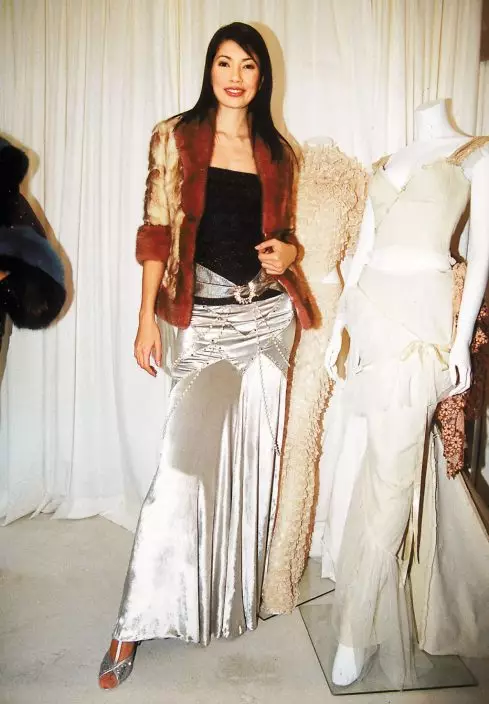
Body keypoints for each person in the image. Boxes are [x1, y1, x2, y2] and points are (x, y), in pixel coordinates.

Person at [99, 21, 313, 689]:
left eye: (247, 65)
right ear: (209, 68)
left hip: (269, 320)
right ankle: (132, 623)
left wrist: (290, 252)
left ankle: (224, 600)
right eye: (224, 62)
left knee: (250, 464)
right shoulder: (175, 137)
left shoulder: (278, 151)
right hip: (209, 323)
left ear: (261, 76)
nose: (235, 75)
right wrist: (146, 318)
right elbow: (155, 231)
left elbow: (285, 235)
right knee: (182, 469)